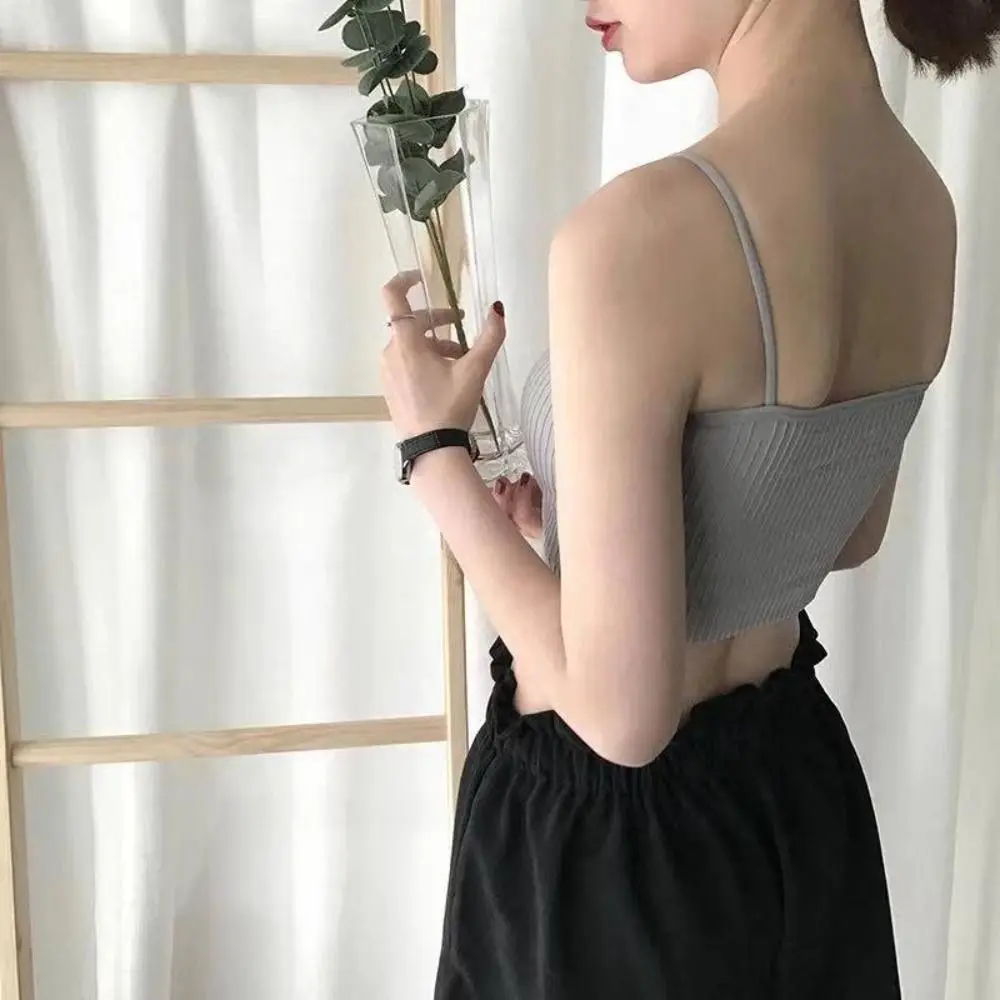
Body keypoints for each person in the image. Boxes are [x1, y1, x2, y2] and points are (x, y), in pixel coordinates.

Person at [378, 0, 991, 996]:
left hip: (613, 874)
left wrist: (432, 451)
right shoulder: (922, 202)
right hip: (794, 805)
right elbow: (844, 531)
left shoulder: (638, 233)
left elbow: (623, 721)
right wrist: (590, 533)